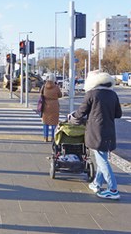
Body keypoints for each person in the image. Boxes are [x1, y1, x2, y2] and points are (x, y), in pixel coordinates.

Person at [69, 71, 122, 200]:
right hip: (109, 130)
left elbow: (81, 112)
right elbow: (118, 114)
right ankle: (96, 183)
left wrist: (71, 117)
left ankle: (113, 189)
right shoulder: (113, 94)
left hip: (96, 131)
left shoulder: (92, 94)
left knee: (102, 160)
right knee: (101, 157)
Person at [40, 73, 62, 142]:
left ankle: (45, 138)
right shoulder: (56, 87)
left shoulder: (44, 86)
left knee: (45, 122)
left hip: (45, 105)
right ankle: (53, 137)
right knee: (54, 123)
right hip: (54, 106)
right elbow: (60, 95)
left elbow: (41, 94)